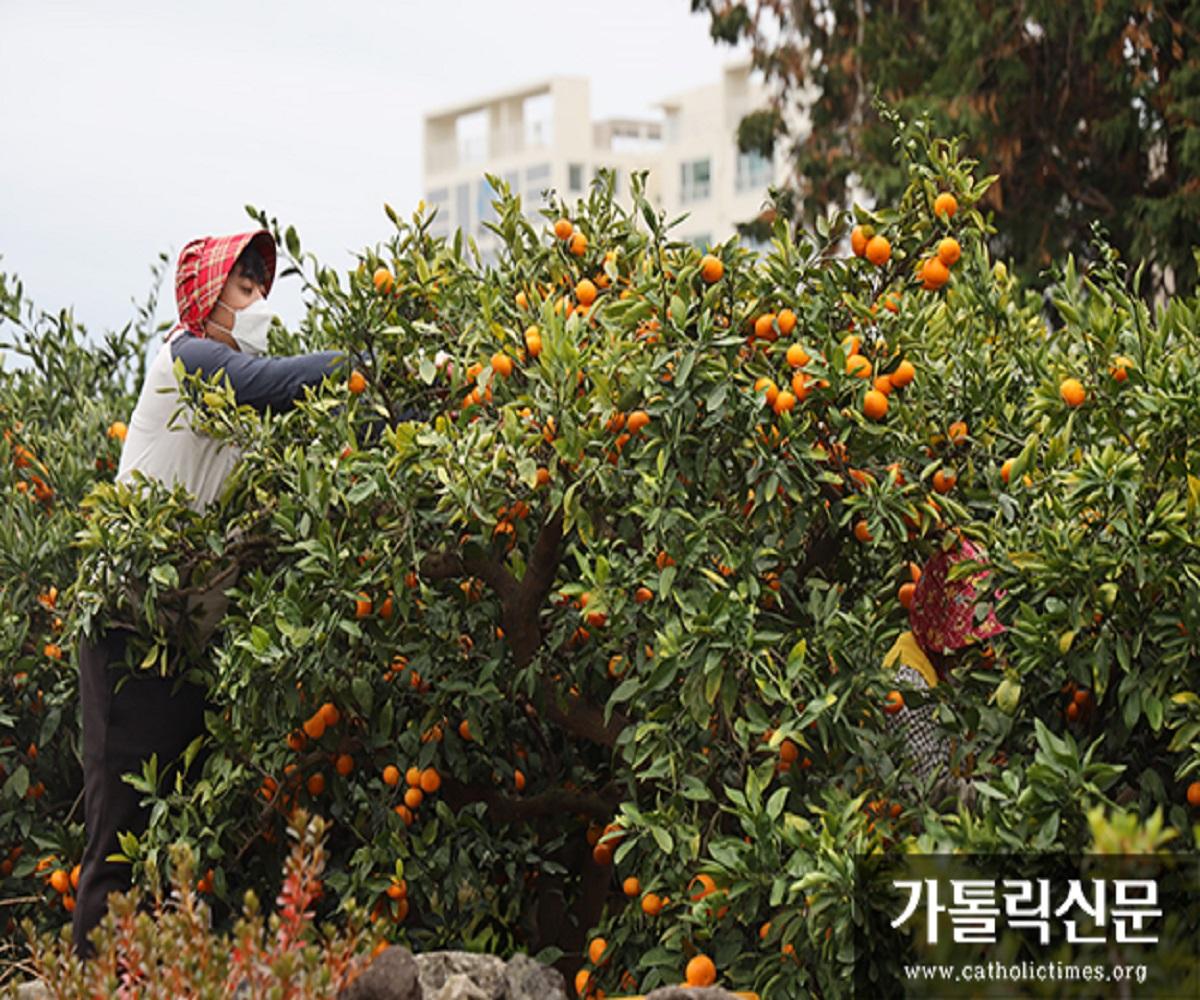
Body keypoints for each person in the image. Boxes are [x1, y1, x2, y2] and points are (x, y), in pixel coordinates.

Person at [72, 230, 347, 959]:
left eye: (263, 290)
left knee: (179, 837)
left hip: (187, 645)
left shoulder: (236, 403)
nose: (258, 303)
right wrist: (363, 364)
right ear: (207, 295)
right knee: (123, 838)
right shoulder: (188, 359)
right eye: (244, 289)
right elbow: (278, 384)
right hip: (129, 631)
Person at [883, 535, 1006, 787]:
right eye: (966, 646)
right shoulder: (907, 686)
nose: (980, 655)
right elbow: (933, 790)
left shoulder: (958, 674)